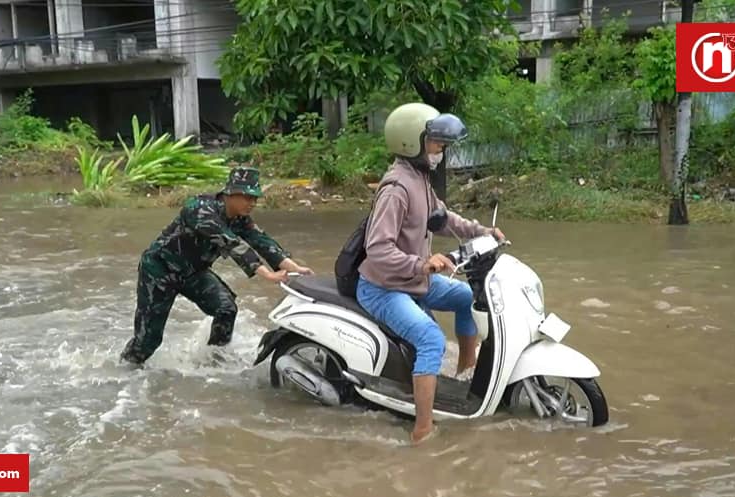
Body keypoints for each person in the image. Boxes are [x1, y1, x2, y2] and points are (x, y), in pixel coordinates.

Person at [357, 102, 505, 445]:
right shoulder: (396, 189)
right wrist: (422, 264)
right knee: (431, 339)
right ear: (413, 141)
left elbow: (445, 218)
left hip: (412, 280)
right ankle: (422, 429)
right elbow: (378, 250)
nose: (442, 150)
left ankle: (465, 372)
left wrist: (482, 231)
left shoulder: (420, 179)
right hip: (383, 287)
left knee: (470, 298)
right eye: (437, 143)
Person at [119, 167, 313, 366]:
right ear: (230, 193)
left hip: (193, 272)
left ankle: (214, 362)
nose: (252, 203)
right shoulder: (199, 209)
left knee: (226, 308)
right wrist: (267, 274)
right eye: (247, 197)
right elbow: (230, 241)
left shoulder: (239, 219)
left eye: (255, 198)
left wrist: (293, 267)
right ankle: (124, 369)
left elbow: (261, 240)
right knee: (148, 342)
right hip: (160, 270)